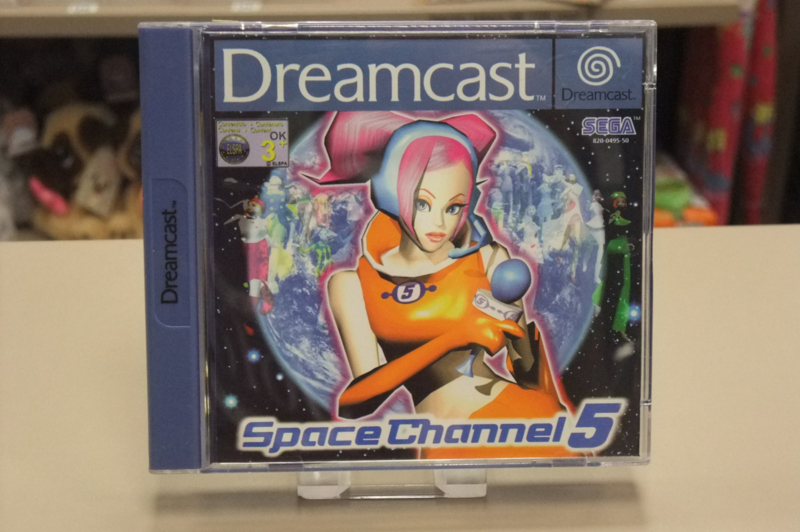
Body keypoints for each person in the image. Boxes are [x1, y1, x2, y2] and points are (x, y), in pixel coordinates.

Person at [306, 111, 573, 458]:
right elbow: (355, 401)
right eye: (422, 203)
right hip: (448, 439)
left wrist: (519, 335)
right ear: (390, 193)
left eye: (454, 207)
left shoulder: (489, 259)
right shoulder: (352, 283)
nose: (439, 223)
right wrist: (453, 338)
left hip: (524, 418)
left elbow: (526, 372)